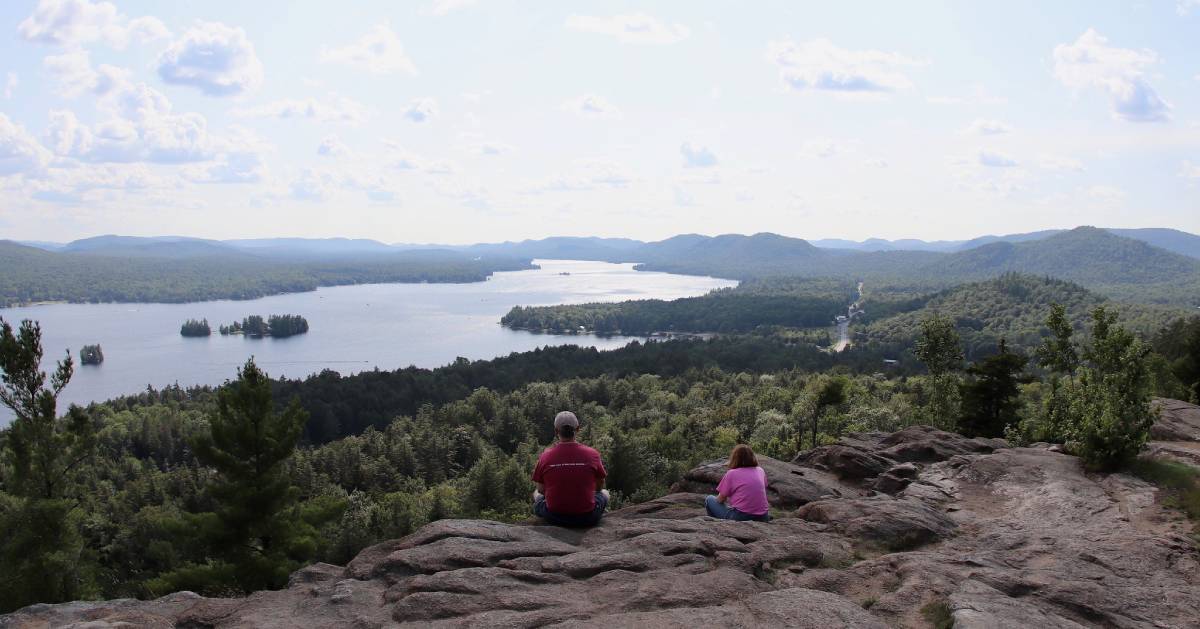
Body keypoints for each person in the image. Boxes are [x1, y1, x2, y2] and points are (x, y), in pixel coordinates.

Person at [532, 411, 609, 527]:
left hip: (554, 517)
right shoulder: (592, 454)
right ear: (577, 429)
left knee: (536, 493)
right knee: (605, 493)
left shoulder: (545, 456)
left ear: (556, 431)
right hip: (587, 517)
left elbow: (541, 490)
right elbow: (600, 485)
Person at [705, 444, 770, 522]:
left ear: (735, 458)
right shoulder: (760, 470)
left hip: (741, 517)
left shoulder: (732, 473)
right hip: (763, 516)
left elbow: (720, 500)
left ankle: (716, 525)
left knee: (709, 499)